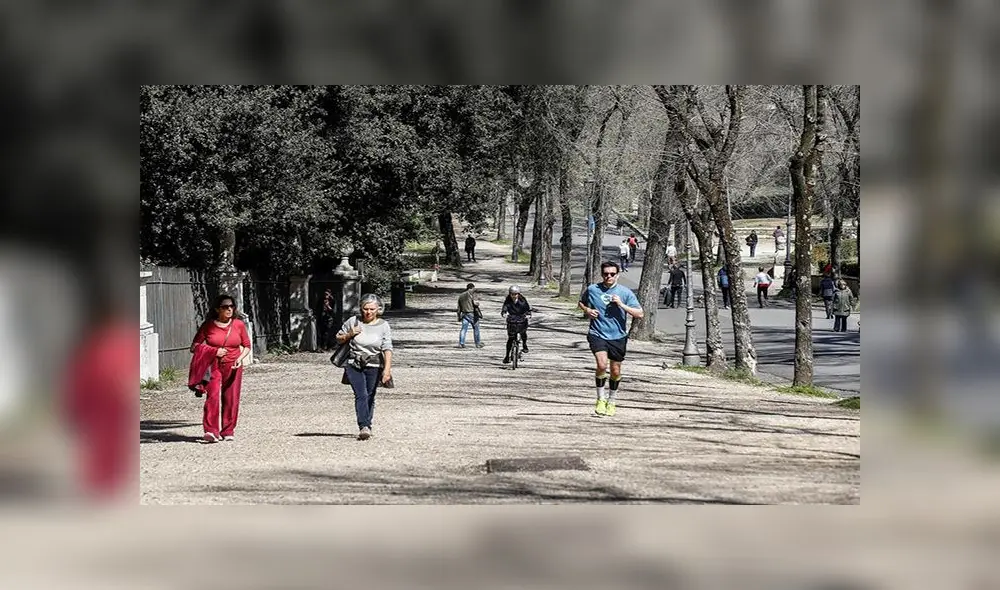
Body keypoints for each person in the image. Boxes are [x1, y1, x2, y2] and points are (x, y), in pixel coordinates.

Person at [578, 261, 643, 417]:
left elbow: (640, 314)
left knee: (615, 371)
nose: (609, 276)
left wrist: (621, 304)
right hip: (597, 333)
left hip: (618, 336)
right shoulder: (593, 289)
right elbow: (581, 302)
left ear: (617, 275)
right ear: (602, 274)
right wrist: (587, 310)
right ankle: (600, 399)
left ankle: (612, 400)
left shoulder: (625, 293)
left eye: (612, 274)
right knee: (601, 364)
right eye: (606, 274)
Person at [189, 294, 252, 443]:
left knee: (231, 398)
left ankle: (228, 430)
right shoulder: (208, 326)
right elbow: (194, 347)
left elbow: (247, 346)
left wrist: (240, 358)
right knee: (213, 396)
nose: (229, 309)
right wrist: (213, 351)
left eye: (231, 306)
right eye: (225, 307)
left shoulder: (238, 325)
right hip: (213, 365)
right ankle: (211, 431)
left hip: (233, 364)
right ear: (218, 309)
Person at [336, 293, 393, 441]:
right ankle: (364, 426)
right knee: (361, 394)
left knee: (370, 395)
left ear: (378, 309)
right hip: (353, 363)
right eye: (365, 309)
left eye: (372, 309)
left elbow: (387, 348)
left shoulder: (384, 326)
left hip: (374, 364)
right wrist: (350, 334)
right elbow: (338, 338)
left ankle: (367, 423)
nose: (368, 312)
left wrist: (387, 370)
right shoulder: (353, 321)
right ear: (361, 308)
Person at [501, 285, 531, 364]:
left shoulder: (522, 300)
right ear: (510, 294)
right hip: (512, 319)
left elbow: (527, 308)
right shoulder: (508, 300)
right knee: (510, 339)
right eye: (512, 294)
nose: (514, 296)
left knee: (523, 333)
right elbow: (505, 307)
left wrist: (528, 314)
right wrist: (504, 313)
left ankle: (524, 344)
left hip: (521, 318)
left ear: (518, 294)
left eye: (516, 294)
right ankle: (507, 356)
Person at [457, 282, 484, 348]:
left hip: (464, 314)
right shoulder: (471, 294)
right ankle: (477, 343)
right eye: (473, 288)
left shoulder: (461, 296)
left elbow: (459, 307)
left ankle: (461, 343)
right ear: (471, 288)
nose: (474, 290)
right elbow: (475, 304)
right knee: (476, 328)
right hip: (472, 314)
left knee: (463, 329)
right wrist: (478, 303)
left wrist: (458, 316)